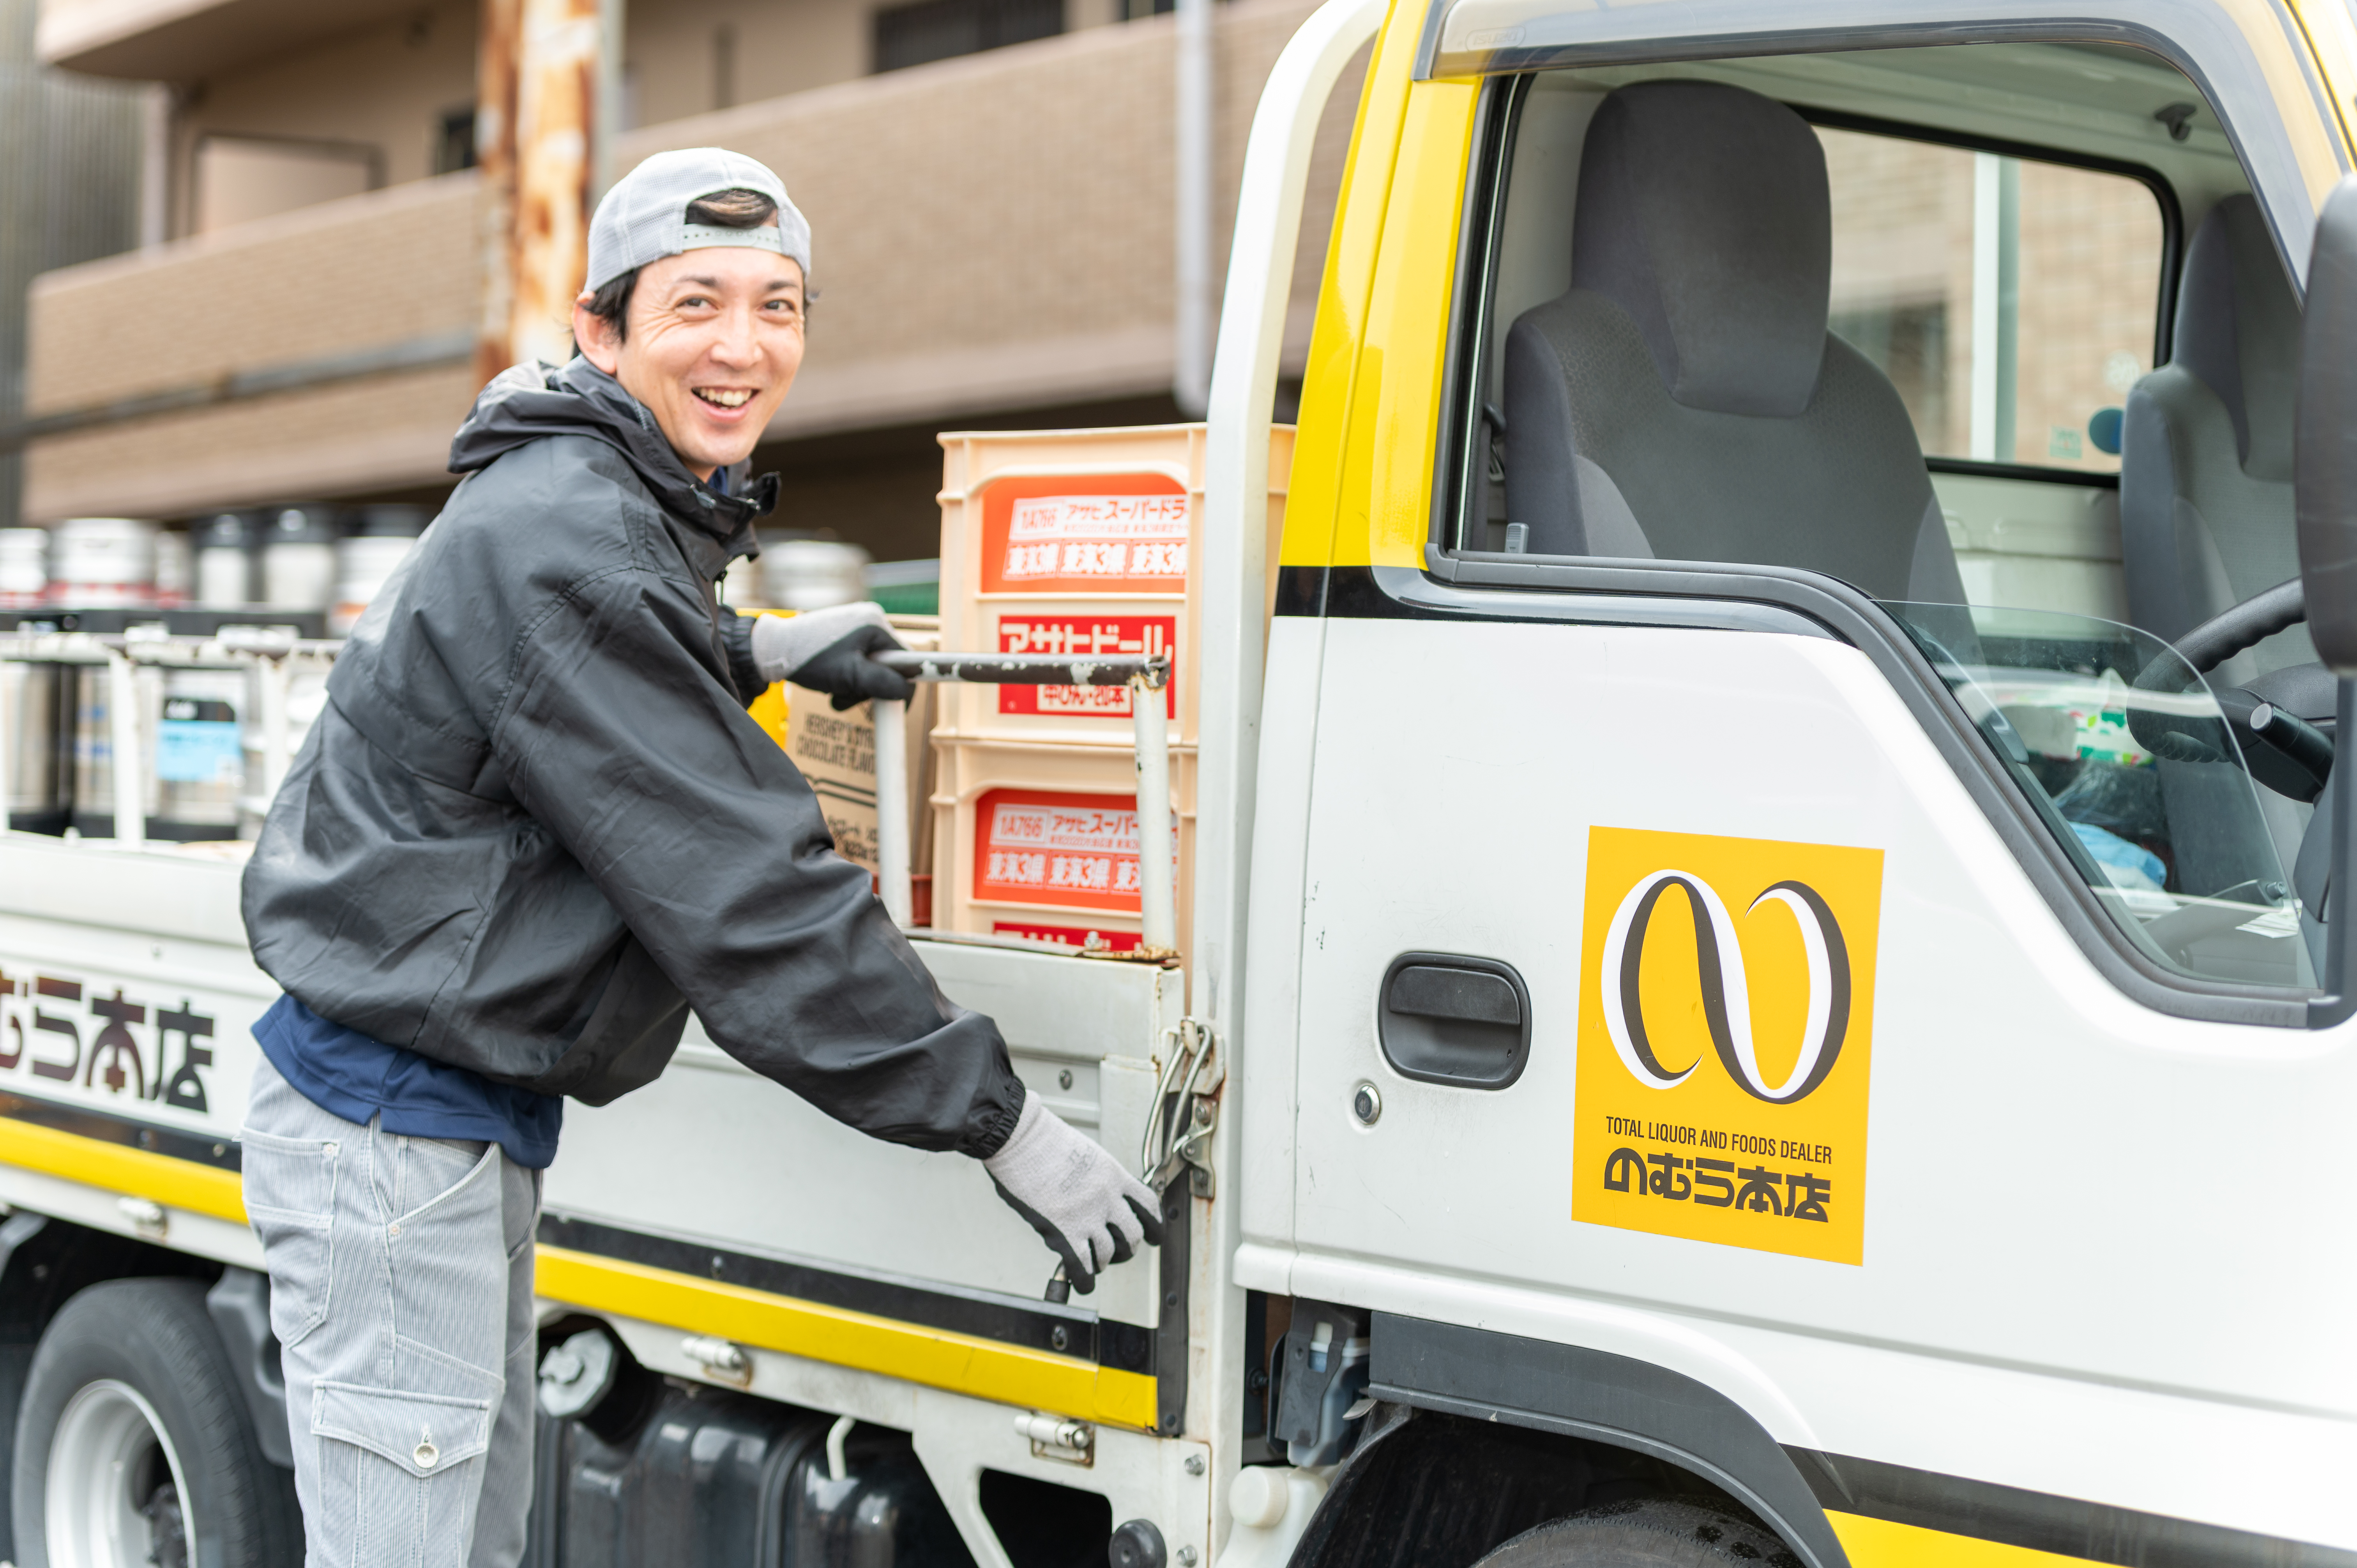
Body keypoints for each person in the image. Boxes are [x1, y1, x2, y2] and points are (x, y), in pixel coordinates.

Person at [235, 147, 1159, 1568]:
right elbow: (749, 892)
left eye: (779, 305)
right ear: (601, 329)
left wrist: (749, 647)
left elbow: (562, 684)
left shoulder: (586, 493)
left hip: (436, 1120)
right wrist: (1005, 1124)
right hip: (393, 1131)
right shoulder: (576, 536)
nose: (744, 346)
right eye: (697, 304)